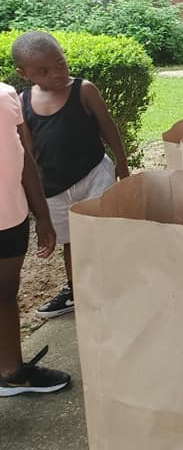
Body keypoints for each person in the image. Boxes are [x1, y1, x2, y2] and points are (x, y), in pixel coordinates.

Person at [12, 32, 130, 319]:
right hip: (53, 188)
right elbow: (26, 150)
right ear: (24, 73)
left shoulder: (84, 90)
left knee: (104, 232)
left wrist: (121, 162)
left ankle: (119, 287)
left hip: (93, 175)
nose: (56, 74)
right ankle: (76, 291)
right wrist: (33, 194)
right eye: (43, 71)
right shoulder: (22, 100)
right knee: (72, 242)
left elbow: (107, 125)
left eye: (60, 64)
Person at [0, 81, 70, 396]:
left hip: (10, 217)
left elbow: (24, 156)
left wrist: (42, 215)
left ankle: (11, 372)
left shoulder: (5, 95)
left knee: (4, 293)